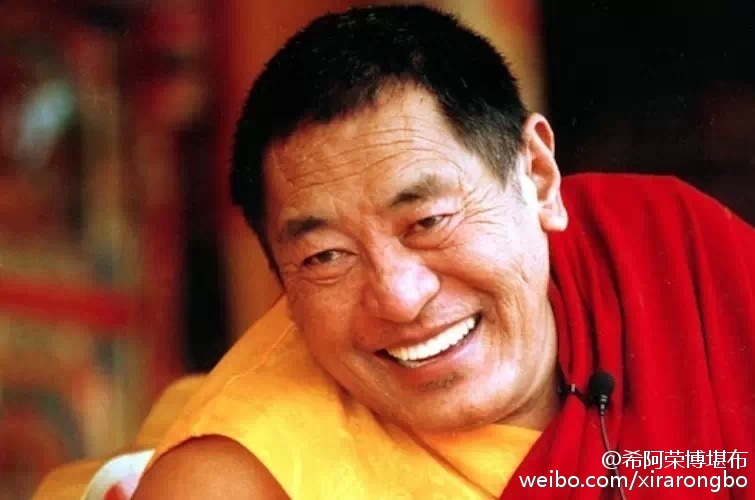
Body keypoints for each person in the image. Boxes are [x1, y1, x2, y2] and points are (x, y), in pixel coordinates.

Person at [134, 5, 755, 499]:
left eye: (428, 221)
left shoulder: (666, 249)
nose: (400, 298)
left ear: (539, 178)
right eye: (326, 257)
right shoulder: (242, 480)